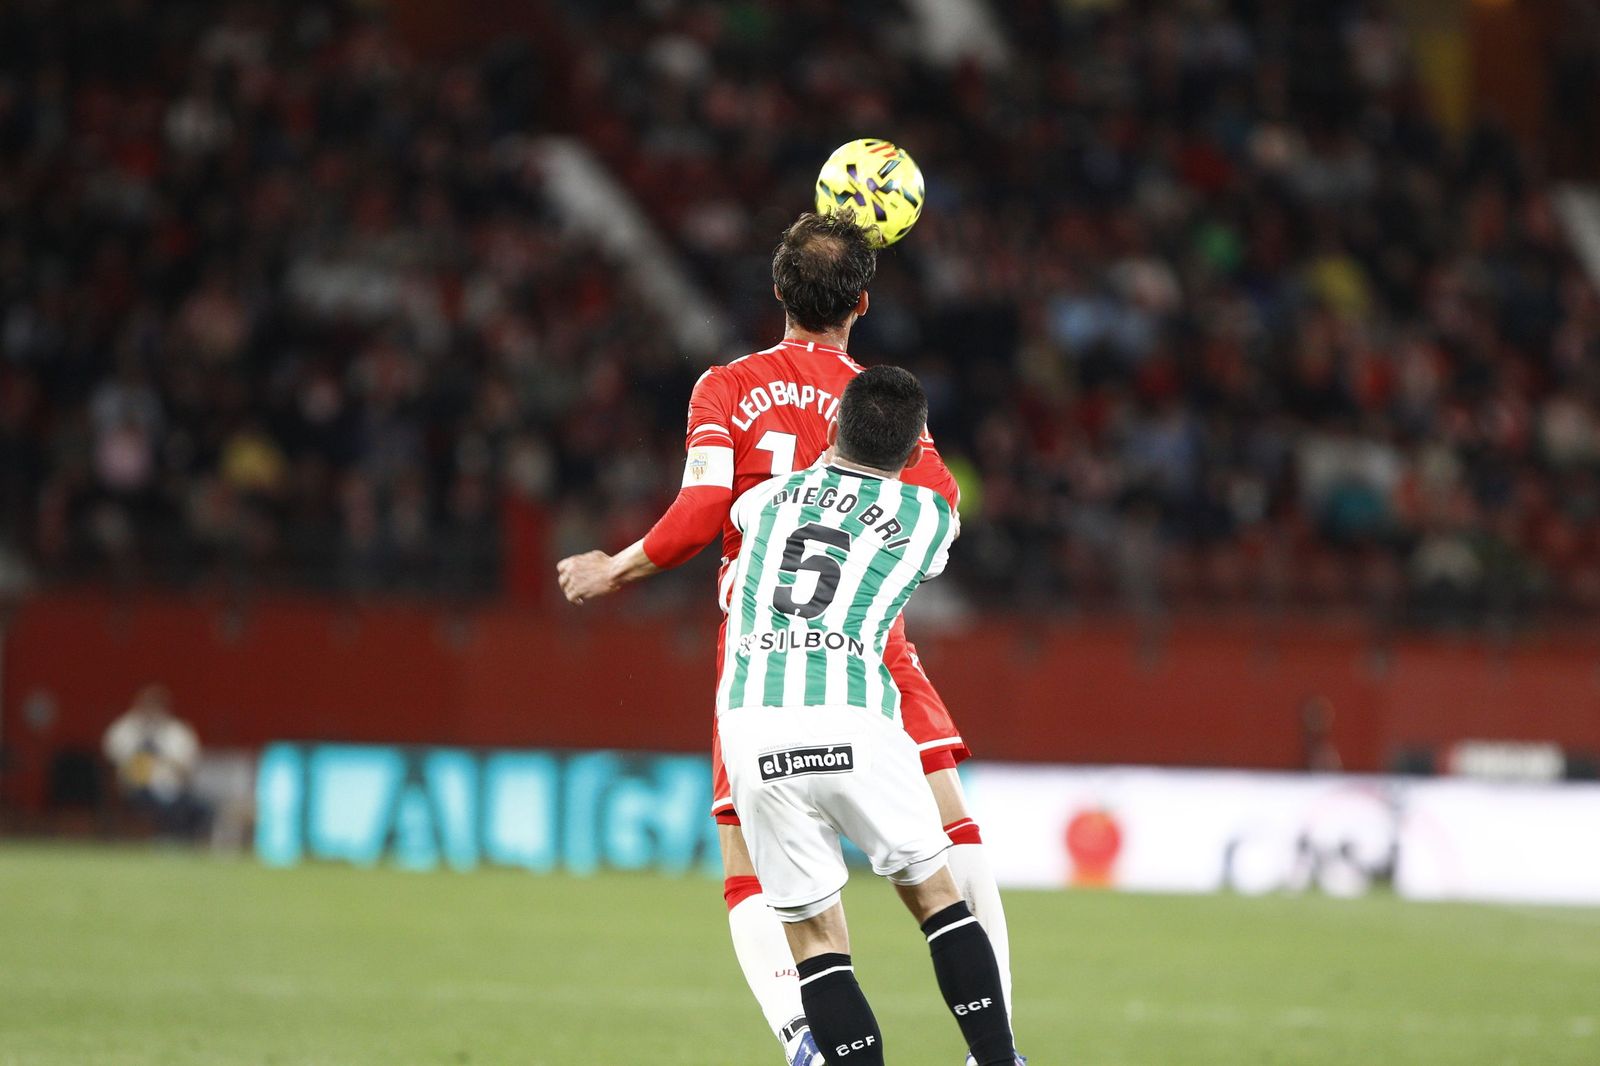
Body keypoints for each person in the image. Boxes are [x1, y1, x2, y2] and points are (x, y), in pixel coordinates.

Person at [558, 212, 1021, 1065]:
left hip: (763, 652)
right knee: (945, 842)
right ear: (864, 304)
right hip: (872, 639)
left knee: (756, 865)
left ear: (776, 291)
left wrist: (615, 569)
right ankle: (996, 1048)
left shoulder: (725, 387)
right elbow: (942, 502)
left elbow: (701, 514)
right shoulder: (880, 404)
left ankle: (806, 1038)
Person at [718, 365, 1016, 1065]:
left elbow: (740, 540)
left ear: (830, 429)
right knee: (939, 901)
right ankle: (998, 1060)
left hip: (754, 735)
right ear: (914, 454)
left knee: (817, 942)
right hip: (855, 718)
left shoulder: (762, 504)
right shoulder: (930, 519)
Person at [101, 684, 209, 838]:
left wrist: (165, 760)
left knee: (198, 808)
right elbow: (112, 757)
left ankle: (178, 841)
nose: (151, 709)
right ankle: (168, 838)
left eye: (156, 704)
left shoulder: (177, 731)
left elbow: (188, 764)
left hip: (170, 786)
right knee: (164, 804)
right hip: (135, 787)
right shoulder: (125, 728)